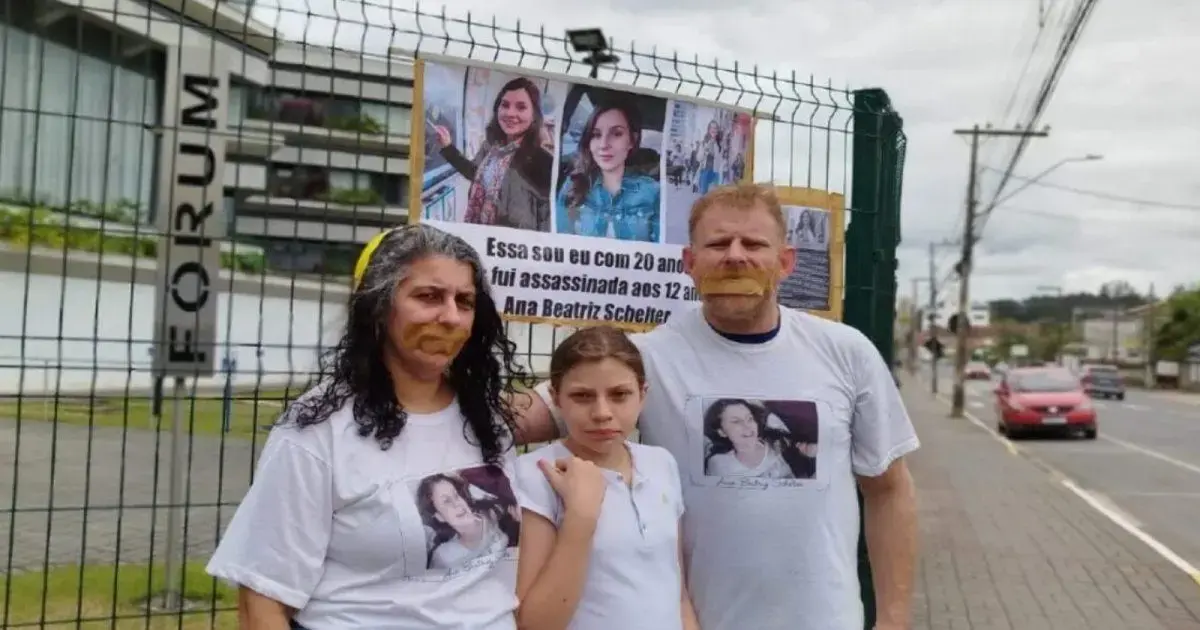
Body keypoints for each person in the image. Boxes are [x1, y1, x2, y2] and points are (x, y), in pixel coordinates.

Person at [513, 182, 920, 630]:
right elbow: (527, 414)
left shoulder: (846, 352)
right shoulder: (647, 358)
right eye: (719, 243)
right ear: (690, 263)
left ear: (785, 262)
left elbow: (889, 489)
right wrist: (436, 399)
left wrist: (894, 620)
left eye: (754, 244)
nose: (735, 256)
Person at [206, 224, 530, 629]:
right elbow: (263, 599)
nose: (450, 316)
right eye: (428, 296)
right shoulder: (316, 430)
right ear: (379, 307)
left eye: (464, 301)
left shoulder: (486, 421)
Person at [513, 326, 700, 630]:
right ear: (556, 398)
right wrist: (581, 517)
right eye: (583, 396)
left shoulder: (661, 464)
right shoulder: (537, 473)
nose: (602, 412)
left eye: (619, 395)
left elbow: (675, 592)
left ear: (643, 394)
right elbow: (533, 623)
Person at [433, 77, 553, 231]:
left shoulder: (541, 159)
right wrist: (448, 147)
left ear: (534, 114)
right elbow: (475, 174)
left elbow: (546, 216)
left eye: (521, 107)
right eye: (505, 105)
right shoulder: (490, 148)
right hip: (478, 235)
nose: (510, 113)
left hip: (513, 247)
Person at [556, 98, 661, 242]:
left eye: (616, 134)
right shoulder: (573, 185)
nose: (604, 144)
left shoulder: (653, 192)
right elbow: (558, 245)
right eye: (596, 135)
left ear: (632, 140)